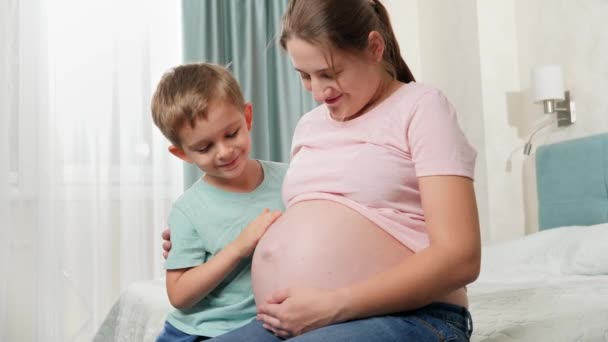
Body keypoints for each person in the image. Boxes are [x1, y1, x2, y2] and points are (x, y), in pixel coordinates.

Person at [164, 0, 481, 340]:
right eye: (304, 76)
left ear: (375, 47)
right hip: (285, 320)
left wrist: (333, 304)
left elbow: (460, 256)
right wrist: (199, 234)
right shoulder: (309, 126)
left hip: (411, 315)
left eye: (330, 73)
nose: (318, 92)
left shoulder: (420, 107)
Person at [151, 62, 287, 341]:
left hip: (263, 325)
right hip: (198, 333)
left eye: (231, 133)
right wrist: (238, 247)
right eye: (204, 147)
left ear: (247, 117)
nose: (224, 152)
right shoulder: (188, 210)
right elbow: (178, 294)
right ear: (182, 154)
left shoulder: (290, 178)